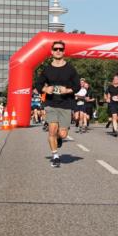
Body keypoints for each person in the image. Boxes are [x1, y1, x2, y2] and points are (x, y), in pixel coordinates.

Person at [34, 40, 80, 168]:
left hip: (66, 104)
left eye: (60, 49)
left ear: (64, 52)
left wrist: (67, 90)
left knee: (62, 134)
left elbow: (77, 86)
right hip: (51, 103)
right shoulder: (47, 69)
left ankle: (59, 139)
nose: (58, 51)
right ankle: (55, 156)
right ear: (52, 51)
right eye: (56, 49)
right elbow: (37, 84)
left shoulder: (70, 69)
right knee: (52, 130)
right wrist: (45, 89)